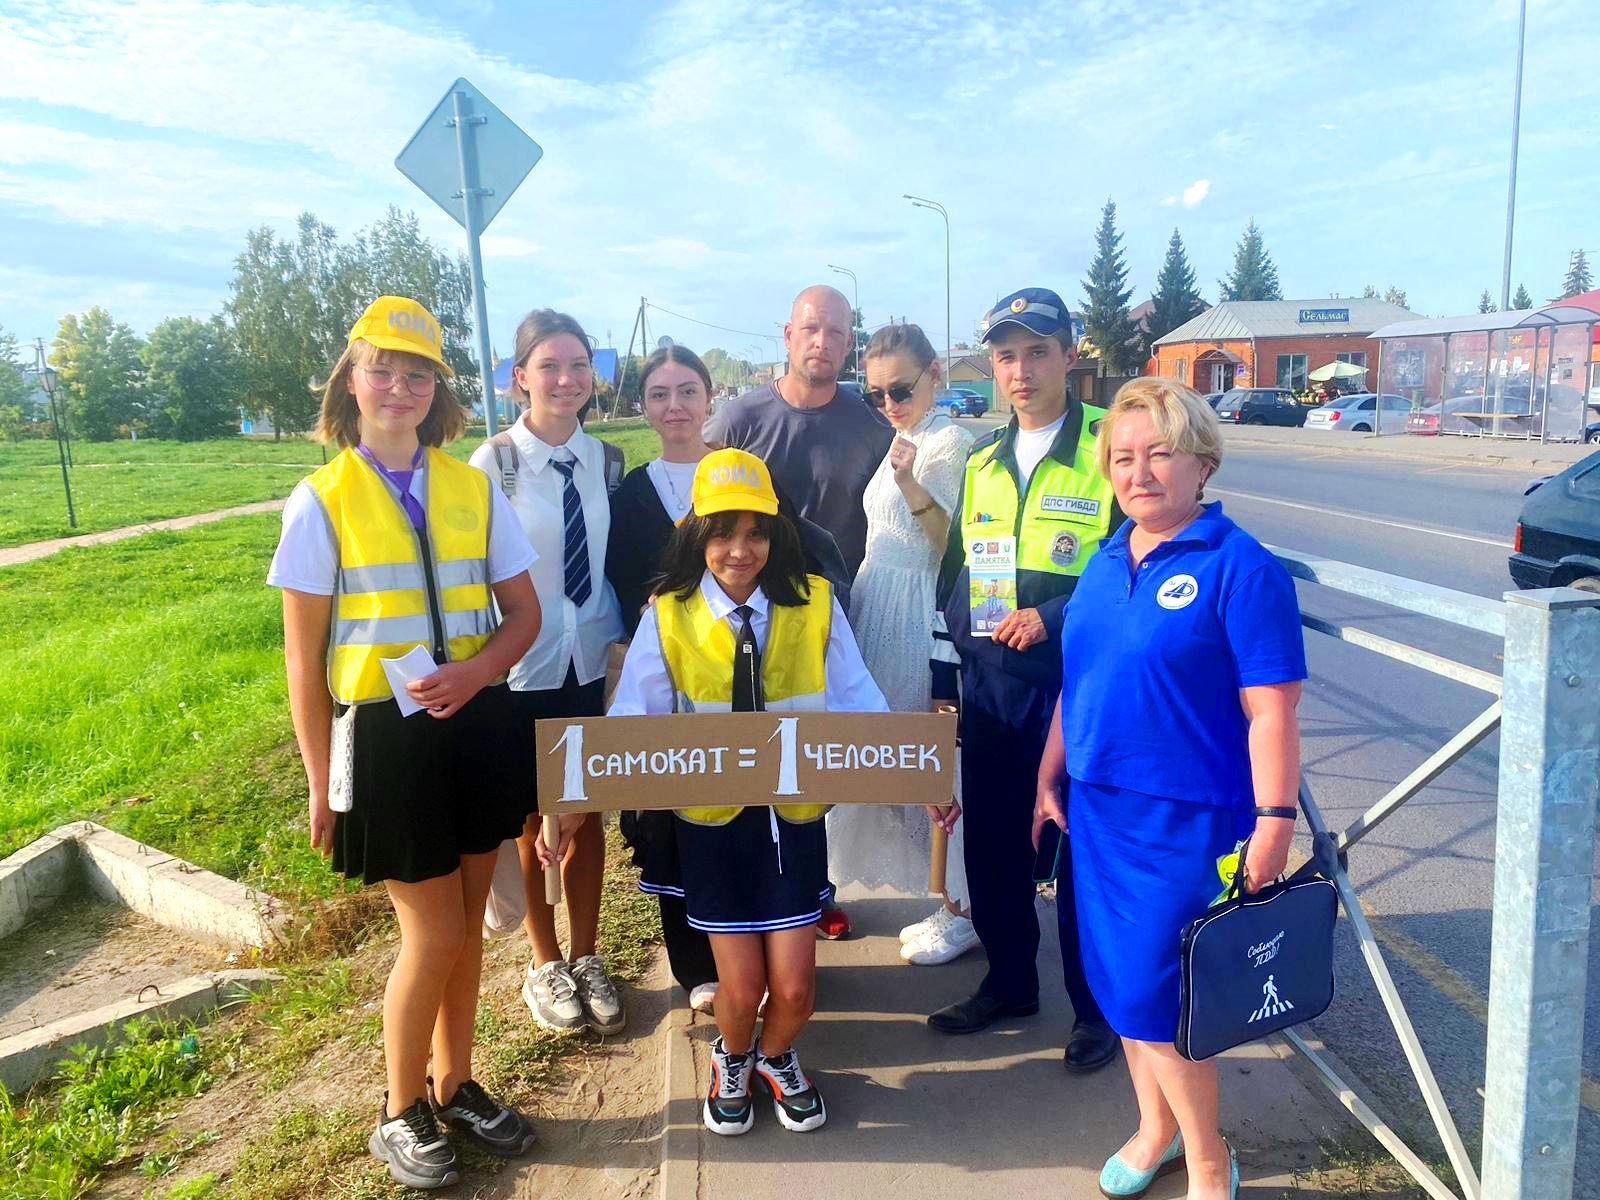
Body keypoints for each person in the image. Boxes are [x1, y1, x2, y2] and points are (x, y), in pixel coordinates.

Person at [270, 297, 543, 1189]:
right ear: (351, 380)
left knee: (467, 926)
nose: (399, 386)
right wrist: (322, 782)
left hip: (476, 723)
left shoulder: (472, 487)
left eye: (417, 372)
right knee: (431, 932)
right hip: (384, 743)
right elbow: (304, 661)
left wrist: (474, 675)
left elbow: (525, 617)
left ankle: (455, 1082)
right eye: (381, 368)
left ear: (438, 390)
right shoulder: (320, 502)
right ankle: (397, 1111)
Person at [1035, 378, 1305, 1200]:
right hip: (1100, 813)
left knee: (1161, 998)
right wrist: (1050, 770)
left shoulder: (1240, 569)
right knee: (1118, 985)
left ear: (1203, 462)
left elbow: (1271, 710)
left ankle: (1210, 1157)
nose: (1138, 472)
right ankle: (1156, 1131)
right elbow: (1078, 680)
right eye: (1122, 456)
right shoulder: (1105, 558)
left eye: (1158, 453)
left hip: (1186, 821)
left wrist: (1274, 821)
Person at [575, 448, 888, 1137]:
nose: (739, 550)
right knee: (739, 992)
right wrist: (574, 800)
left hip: (792, 823)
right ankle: (734, 1057)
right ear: (697, 537)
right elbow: (632, 723)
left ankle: (775, 1056)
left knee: (798, 992)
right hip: (714, 830)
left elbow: (860, 701)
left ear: (777, 535)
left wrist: (914, 774)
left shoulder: (816, 605)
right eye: (722, 533)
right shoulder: (669, 617)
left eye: (756, 532)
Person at [926, 288, 1119, 1074]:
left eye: (1037, 350)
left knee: (1077, 854)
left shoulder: (1113, 442)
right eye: (1006, 354)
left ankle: (1097, 1011)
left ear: (1070, 355)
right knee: (997, 845)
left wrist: (1057, 617)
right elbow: (957, 575)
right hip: (996, 690)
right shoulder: (981, 461)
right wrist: (954, 677)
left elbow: (1141, 557)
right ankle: (1010, 982)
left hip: (1082, 690)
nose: (1021, 368)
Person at [704, 284, 892, 940]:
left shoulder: (870, 428)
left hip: (826, 620)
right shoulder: (736, 421)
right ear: (788, 335)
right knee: (743, 759)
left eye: (837, 333)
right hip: (739, 620)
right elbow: (700, 512)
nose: (823, 343)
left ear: (849, 343)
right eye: (812, 329)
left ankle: (815, 886)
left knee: (814, 761)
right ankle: (744, 897)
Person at [467, 309, 627, 1037]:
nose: (566, 380)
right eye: (550, 366)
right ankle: (544, 961)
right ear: (518, 377)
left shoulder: (607, 461)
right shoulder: (493, 465)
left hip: (589, 654)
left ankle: (588, 955)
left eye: (579, 367)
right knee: (533, 815)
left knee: (586, 807)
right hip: (520, 663)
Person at [825, 322, 977, 965]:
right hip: (874, 605)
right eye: (877, 392)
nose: (889, 402)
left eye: (901, 388)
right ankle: (939, 894)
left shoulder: (949, 443)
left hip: (916, 609)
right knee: (884, 751)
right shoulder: (905, 437)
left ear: (935, 374)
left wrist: (913, 482)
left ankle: (960, 907)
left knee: (928, 756)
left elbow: (952, 544)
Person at [605, 344, 722, 1015]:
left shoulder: (741, 473)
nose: (674, 406)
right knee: (671, 816)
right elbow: (621, 584)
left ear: (709, 398)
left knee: (742, 808)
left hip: (739, 680)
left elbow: (778, 557)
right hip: (665, 680)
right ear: (643, 407)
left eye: (686, 391)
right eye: (659, 394)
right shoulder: (632, 494)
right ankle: (694, 966)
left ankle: (756, 939)